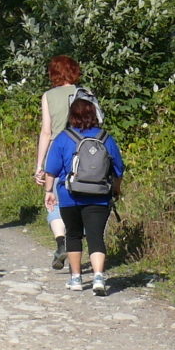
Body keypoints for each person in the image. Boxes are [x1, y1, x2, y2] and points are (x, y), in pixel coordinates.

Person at [44, 98, 124, 295]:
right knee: (96, 236)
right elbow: (119, 170)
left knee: (73, 234)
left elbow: (51, 171)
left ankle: (76, 278)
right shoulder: (106, 138)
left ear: (72, 116)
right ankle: (98, 277)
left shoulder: (64, 138)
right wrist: (115, 189)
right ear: (94, 114)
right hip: (99, 196)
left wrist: (48, 192)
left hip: (70, 195)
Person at [34, 55, 81, 269]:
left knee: (53, 197)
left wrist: (40, 165)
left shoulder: (49, 96)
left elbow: (46, 131)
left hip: (57, 149)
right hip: (83, 150)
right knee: (80, 195)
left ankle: (62, 242)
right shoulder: (85, 93)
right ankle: (76, 244)